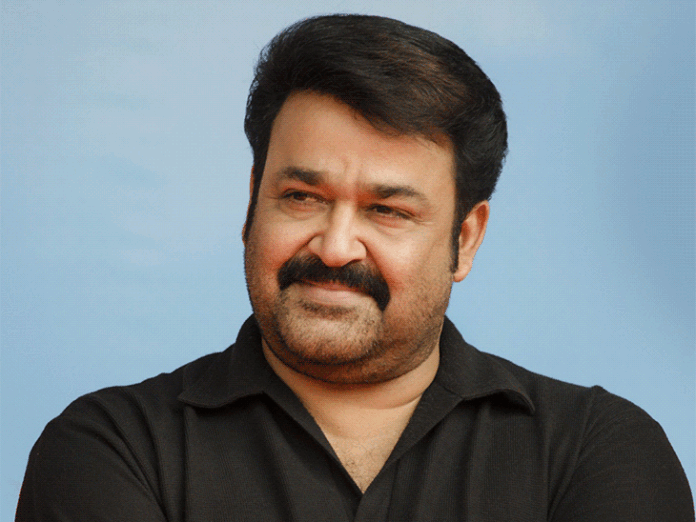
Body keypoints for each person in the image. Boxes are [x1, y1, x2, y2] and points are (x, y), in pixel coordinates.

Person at [16, 14, 693, 522]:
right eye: (301, 197)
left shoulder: (595, 452)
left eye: (388, 210)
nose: (336, 247)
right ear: (252, 202)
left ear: (465, 239)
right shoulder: (113, 448)